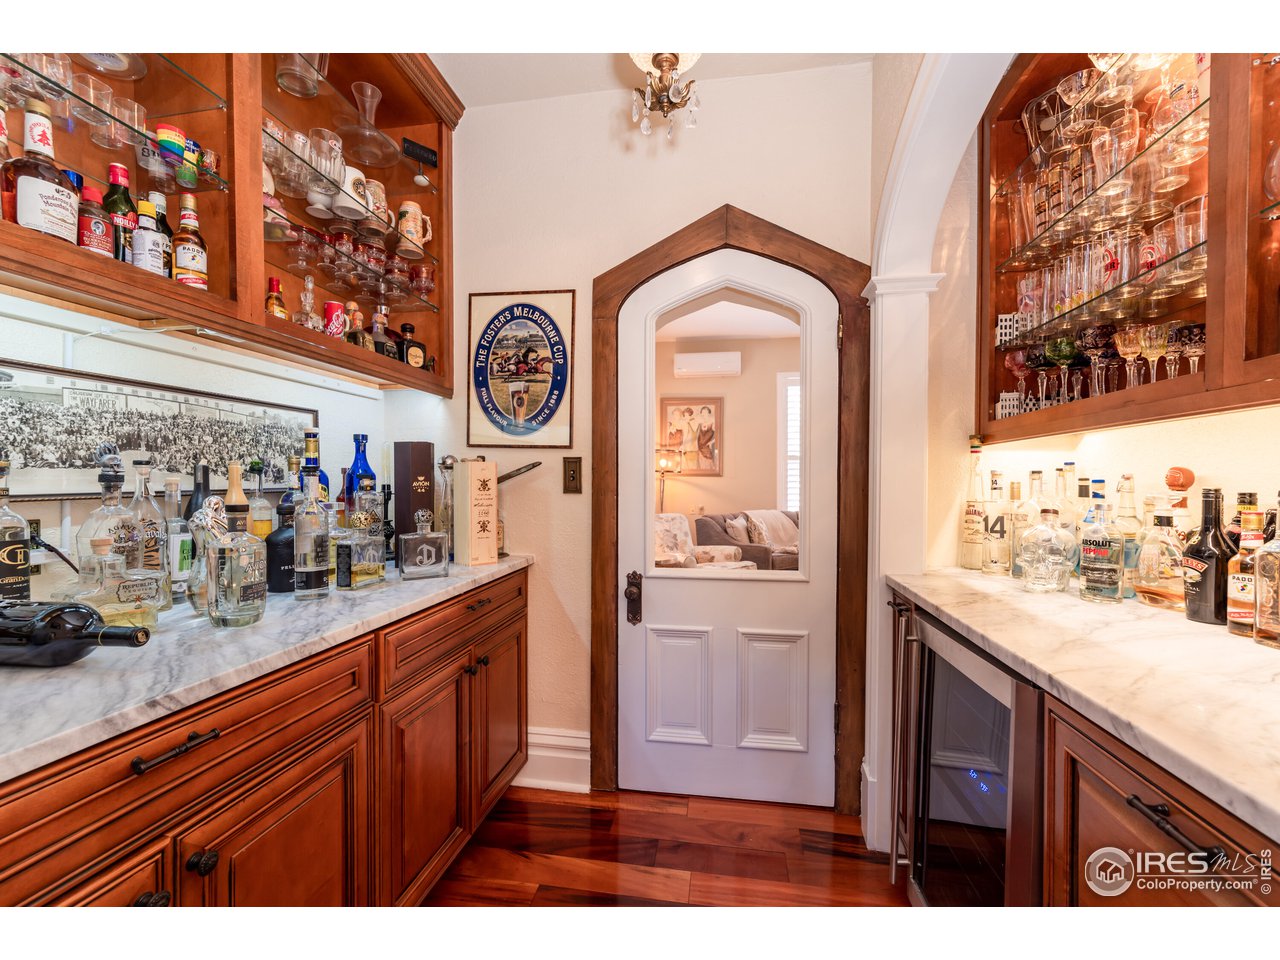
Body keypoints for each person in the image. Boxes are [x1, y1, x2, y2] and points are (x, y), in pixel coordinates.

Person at [695, 406, 718, 472]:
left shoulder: (712, 423)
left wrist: (711, 442)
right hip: (700, 447)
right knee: (701, 465)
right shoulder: (700, 423)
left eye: (706, 412)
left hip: (708, 448)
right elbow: (697, 435)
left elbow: (718, 435)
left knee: (708, 464)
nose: (704, 414)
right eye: (703, 413)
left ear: (709, 413)